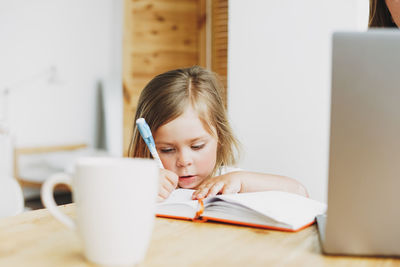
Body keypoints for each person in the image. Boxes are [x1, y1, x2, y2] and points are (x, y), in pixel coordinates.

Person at [128, 66, 309, 202]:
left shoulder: (228, 179)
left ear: (220, 138)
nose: (184, 161)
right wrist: (138, 187)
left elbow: (300, 193)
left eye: (197, 146)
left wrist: (242, 181)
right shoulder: (140, 182)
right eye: (167, 149)